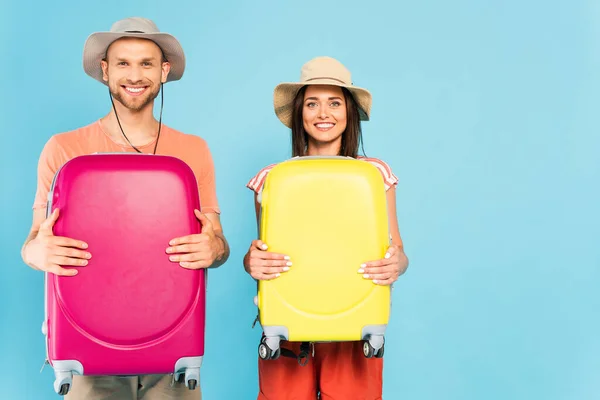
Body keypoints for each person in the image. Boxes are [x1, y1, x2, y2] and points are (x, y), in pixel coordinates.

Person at [20, 17, 229, 400]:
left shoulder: (194, 149)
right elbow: (35, 240)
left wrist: (214, 249)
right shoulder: (63, 148)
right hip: (87, 347)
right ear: (105, 71)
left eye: (147, 63)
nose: (135, 75)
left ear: (164, 71)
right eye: (123, 63)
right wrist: (35, 251)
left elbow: (215, 242)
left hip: (172, 351)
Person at [243, 56, 409, 400]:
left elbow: (398, 252)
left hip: (357, 320)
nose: (323, 113)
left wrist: (397, 264)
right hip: (288, 325)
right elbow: (265, 252)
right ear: (299, 114)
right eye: (312, 103)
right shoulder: (272, 178)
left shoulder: (375, 174)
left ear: (348, 112)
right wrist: (250, 262)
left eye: (334, 103)